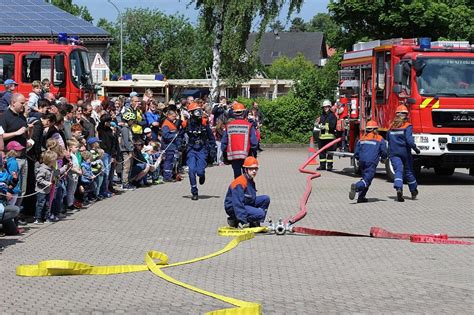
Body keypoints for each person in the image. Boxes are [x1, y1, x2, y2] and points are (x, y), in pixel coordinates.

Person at [224, 156, 270, 228]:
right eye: (251, 169)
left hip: (246, 202)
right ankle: (235, 220)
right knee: (261, 214)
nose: (254, 171)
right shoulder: (240, 183)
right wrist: (243, 221)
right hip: (233, 207)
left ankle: (256, 222)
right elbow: (237, 203)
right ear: (246, 169)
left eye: (255, 169)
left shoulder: (250, 179)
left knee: (265, 199)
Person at [387, 105, 420, 202]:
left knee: (398, 170)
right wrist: (416, 149)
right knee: (409, 171)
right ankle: (413, 190)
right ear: (406, 115)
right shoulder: (407, 126)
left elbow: (388, 139)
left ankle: (398, 188)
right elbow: (409, 141)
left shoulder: (391, 126)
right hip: (405, 152)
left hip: (394, 152)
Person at [349, 121, 387, 203]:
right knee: (367, 180)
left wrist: (359, 158)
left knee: (365, 179)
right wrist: (384, 158)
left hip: (362, 161)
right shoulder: (379, 138)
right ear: (375, 130)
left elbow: (356, 152)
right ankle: (356, 186)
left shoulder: (362, 138)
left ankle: (361, 197)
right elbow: (384, 151)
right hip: (371, 162)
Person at [184, 102, 216, 200]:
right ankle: (194, 192)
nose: (198, 113)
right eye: (196, 111)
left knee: (200, 171)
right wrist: (180, 144)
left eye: (199, 110)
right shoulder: (187, 123)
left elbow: (211, 136)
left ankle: (202, 175)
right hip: (191, 148)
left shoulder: (204, 123)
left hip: (202, 148)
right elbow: (179, 135)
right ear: (191, 113)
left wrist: (213, 147)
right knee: (191, 170)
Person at [221, 102, 258, 178]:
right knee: (248, 176)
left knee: (237, 177)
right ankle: (247, 189)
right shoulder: (249, 125)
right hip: (247, 155)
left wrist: (225, 155)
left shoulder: (229, 126)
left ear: (234, 113)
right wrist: (254, 154)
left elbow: (224, 143)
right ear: (244, 112)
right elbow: (254, 143)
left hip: (234, 157)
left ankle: (238, 189)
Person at [34, 150, 57, 224]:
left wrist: (66, 167)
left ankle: (46, 217)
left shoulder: (52, 168)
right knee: (40, 204)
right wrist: (47, 183)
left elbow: (57, 172)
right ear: (50, 160)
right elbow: (39, 179)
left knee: (47, 204)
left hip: (48, 190)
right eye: (54, 160)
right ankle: (38, 218)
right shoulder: (43, 169)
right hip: (41, 190)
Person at [315, 100, 337, 171]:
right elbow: (318, 124)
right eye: (324, 107)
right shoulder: (321, 116)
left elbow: (333, 126)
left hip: (330, 137)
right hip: (321, 137)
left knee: (330, 153)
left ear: (330, 107)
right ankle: (322, 166)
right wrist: (317, 125)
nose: (325, 108)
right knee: (322, 152)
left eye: (327, 107)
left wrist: (324, 127)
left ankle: (330, 166)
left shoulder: (332, 116)